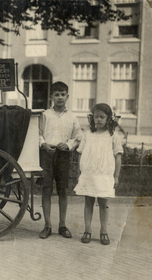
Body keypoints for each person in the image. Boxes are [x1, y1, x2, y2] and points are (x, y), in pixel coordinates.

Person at [38, 81, 82, 239]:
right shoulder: (45, 115)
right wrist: (43, 144)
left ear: (67, 96)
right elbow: (38, 133)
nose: (60, 97)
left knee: (63, 189)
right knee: (46, 189)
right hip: (47, 154)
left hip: (63, 155)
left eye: (63, 94)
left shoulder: (72, 117)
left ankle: (62, 225)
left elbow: (78, 137)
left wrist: (69, 145)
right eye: (56, 94)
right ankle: (47, 225)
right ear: (51, 97)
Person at [74, 103, 123, 245]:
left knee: (103, 203)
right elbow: (80, 154)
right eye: (96, 117)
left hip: (104, 175)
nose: (99, 120)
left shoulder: (113, 136)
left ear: (109, 119)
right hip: (89, 174)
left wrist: (116, 176)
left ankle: (103, 232)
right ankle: (87, 230)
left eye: (102, 117)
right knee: (88, 202)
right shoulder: (88, 135)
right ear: (92, 118)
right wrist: (79, 173)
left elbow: (118, 157)